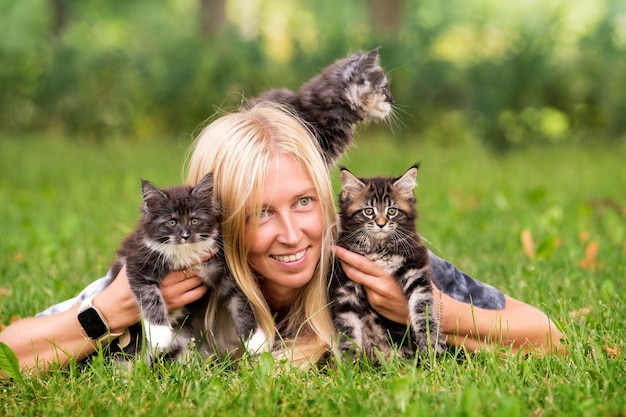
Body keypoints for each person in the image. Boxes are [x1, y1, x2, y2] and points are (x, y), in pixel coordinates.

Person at [0, 103, 565, 372]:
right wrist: (104, 311)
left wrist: (438, 310)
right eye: (260, 213)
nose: (293, 234)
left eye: (303, 202)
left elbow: (547, 336)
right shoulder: (179, 275)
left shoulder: (366, 259)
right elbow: (11, 355)